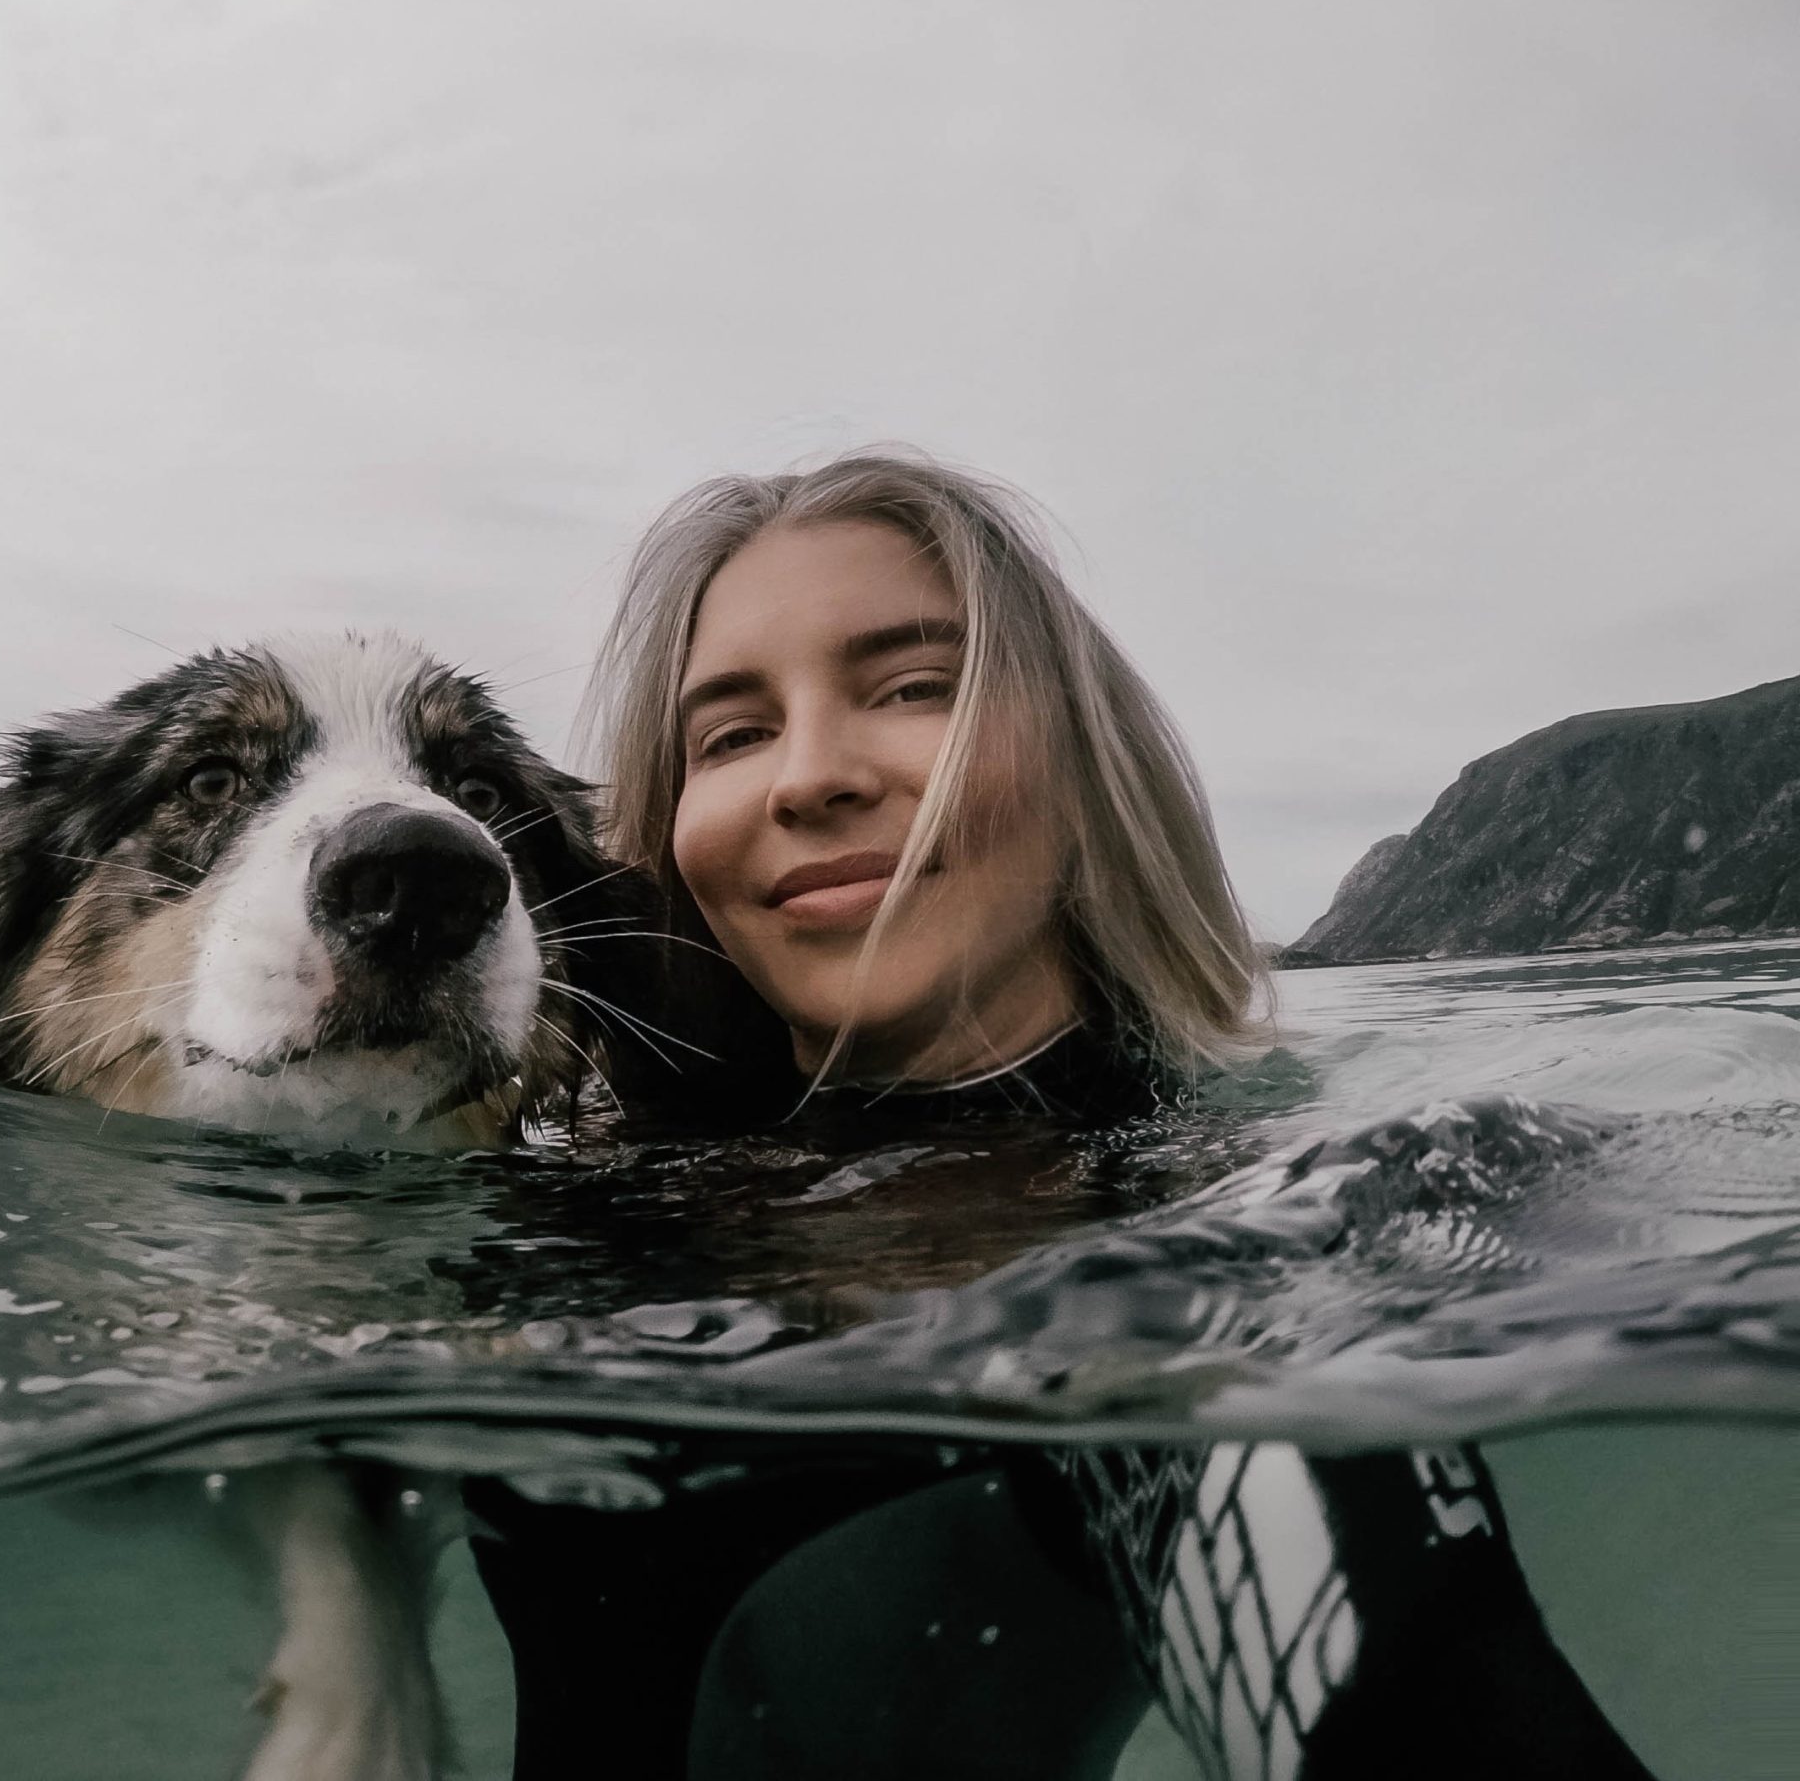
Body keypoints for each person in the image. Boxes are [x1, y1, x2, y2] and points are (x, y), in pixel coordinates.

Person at [464, 450, 1654, 1778]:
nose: (808, 777)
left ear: (1088, 771)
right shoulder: (558, 1196)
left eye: (915, 688)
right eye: (732, 735)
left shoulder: (1225, 1266)